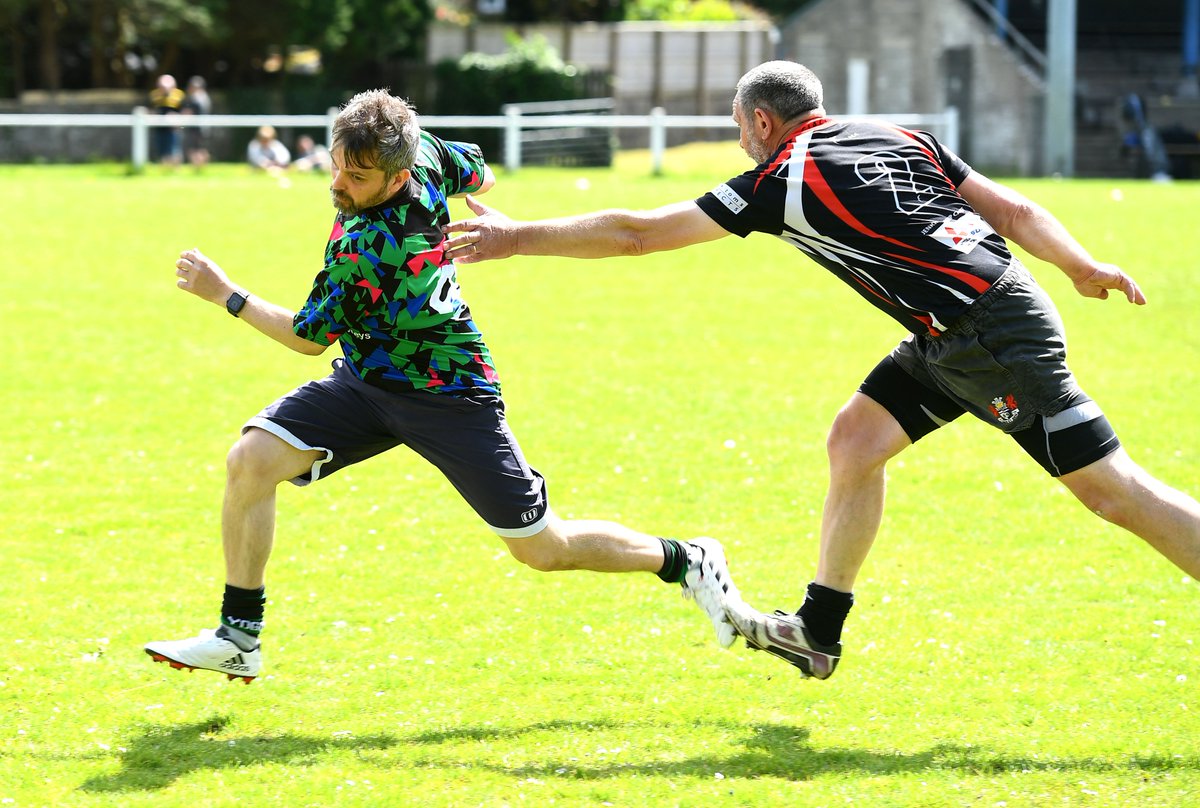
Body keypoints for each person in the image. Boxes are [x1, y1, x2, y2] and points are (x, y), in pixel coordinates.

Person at [443, 60, 1200, 681]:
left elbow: (639, 233)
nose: (741, 143)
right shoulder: (897, 134)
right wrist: (1079, 265)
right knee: (856, 440)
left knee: (1112, 491)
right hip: (967, 322)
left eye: (739, 129)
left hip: (988, 338)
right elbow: (1013, 211)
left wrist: (518, 238)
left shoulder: (781, 179)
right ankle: (818, 630)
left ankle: (818, 629)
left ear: (761, 122)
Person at [144, 89, 738, 683]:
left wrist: (226, 294)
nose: (340, 184)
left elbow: (306, 337)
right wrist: (480, 213)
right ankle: (239, 637)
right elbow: (481, 172)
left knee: (543, 547)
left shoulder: (370, 246)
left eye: (358, 177)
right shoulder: (422, 151)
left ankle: (687, 559)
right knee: (251, 460)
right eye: (337, 164)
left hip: (449, 394)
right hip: (367, 382)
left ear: (398, 176)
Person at [147, 74, 185, 166]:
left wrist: (178, 119)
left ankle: (175, 168)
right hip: (159, 128)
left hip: (173, 129)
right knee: (161, 150)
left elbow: (185, 112)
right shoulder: (154, 95)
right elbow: (149, 109)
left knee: (174, 150)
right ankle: (164, 168)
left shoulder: (179, 96)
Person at [181, 76, 212, 169]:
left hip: (197, 128)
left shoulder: (197, 98)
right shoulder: (205, 97)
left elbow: (190, 112)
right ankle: (199, 167)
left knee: (197, 148)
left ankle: (198, 166)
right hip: (202, 128)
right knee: (200, 147)